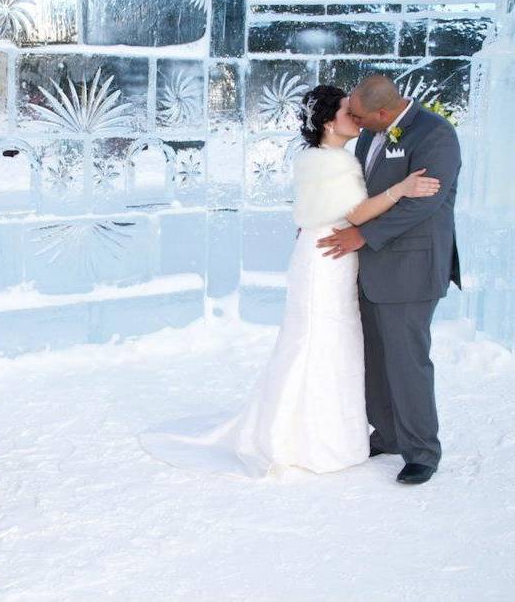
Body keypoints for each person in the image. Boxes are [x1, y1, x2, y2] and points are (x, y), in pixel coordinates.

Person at [139, 85, 441, 476]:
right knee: (317, 343)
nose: (361, 119)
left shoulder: (329, 156)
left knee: (335, 344)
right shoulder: (330, 161)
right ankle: (299, 437)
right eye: (352, 112)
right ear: (331, 122)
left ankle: (330, 432)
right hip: (328, 258)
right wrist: (401, 189)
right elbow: (358, 213)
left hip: (332, 254)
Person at [317, 75, 462, 485]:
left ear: (384, 112)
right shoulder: (369, 136)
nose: (355, 124)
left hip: (412, 270)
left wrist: (363, 234)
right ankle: (388, 433)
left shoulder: (436, 134)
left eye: (361, 117)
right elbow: (359, 195)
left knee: (407, 362)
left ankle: (422, 451)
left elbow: (425, 203)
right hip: (370, 267)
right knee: (375, 358)